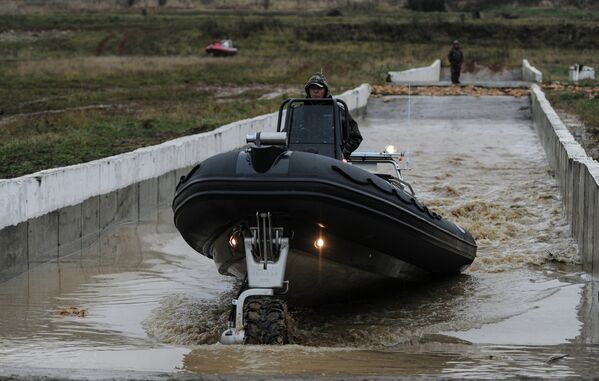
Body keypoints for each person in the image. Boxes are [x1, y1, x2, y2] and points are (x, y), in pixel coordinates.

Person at [304, 73, 362, 159]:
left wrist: (342, 153)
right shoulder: (299, 112)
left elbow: (355, 137)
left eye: (319, 88)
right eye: (312, 88)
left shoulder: (338, 111)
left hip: (331, 158)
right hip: (304, 157)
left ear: (325, 90)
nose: (315, 91)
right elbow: (285, 137)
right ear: (308, 91)